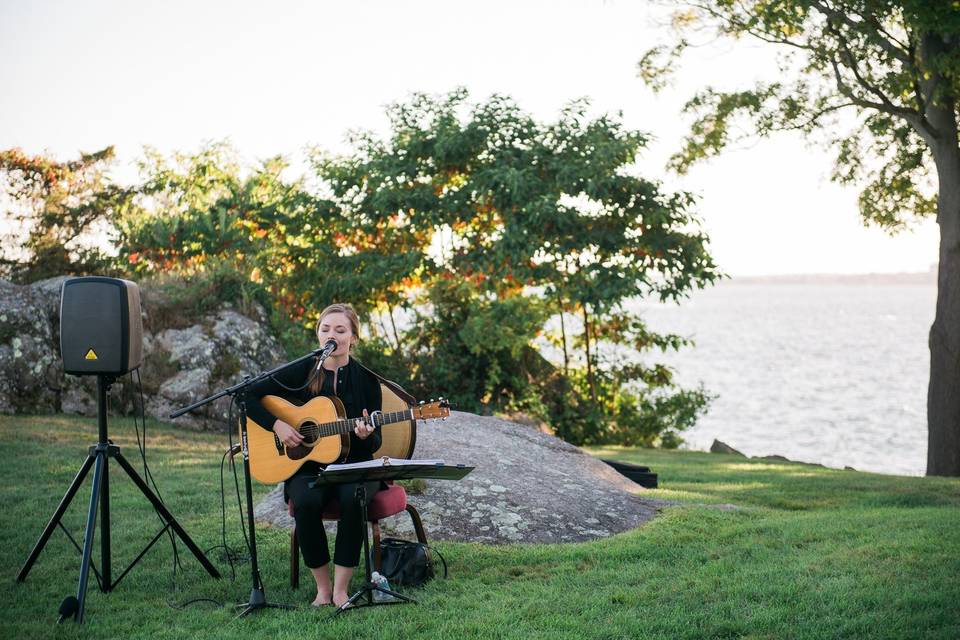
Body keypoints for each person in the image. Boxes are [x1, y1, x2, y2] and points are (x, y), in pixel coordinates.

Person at [247, 303, 384, 608]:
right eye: (325, 329)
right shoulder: (304, 368)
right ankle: (322, 589)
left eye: (340, 330)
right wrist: (278, 425)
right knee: (305, 502)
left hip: (356, 464)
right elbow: (249, 395)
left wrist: (366, 434)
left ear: (353, 338)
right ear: (318, 334)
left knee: (354, 498)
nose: (331, 335)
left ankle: (341, 589)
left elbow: (377, 439)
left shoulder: (367, 380)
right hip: (309, 464)